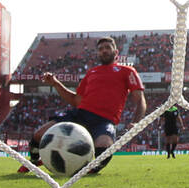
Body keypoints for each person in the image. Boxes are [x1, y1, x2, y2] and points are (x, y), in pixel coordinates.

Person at [19, 36, 144, 175]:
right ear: (98, 53)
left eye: (108, 48)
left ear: (116, 52)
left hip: (104, 121)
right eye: (101, 49)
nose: (104, 51)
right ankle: (35, 161)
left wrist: (136, 122)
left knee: (104, 150)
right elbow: (75, 100)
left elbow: (139, 99)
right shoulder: (92, 72)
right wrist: (55, 83)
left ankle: (85, 170)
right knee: (38, 135)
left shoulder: (127, 71)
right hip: (79, 115)